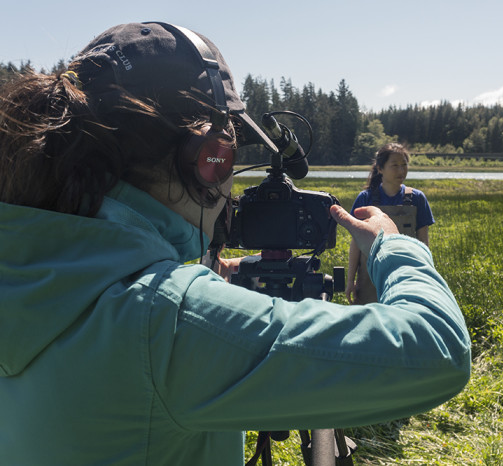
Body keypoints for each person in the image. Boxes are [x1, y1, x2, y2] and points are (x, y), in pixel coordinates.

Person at [0, 22, 471, 466]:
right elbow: (437, 350)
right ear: (210, 158)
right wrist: (394, 246)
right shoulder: (163, 320)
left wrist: (208, 270)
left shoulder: (28, 269)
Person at [346, 143, 435, 304]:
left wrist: (429, 280)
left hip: (407, 278)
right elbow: (356, 244)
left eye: (404, 165)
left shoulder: (417, 199)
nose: (401, 171)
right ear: (380, 169)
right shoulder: (365, 198)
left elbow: (424, 246)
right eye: (395, 166)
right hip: (368, 280)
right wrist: (350, 281)